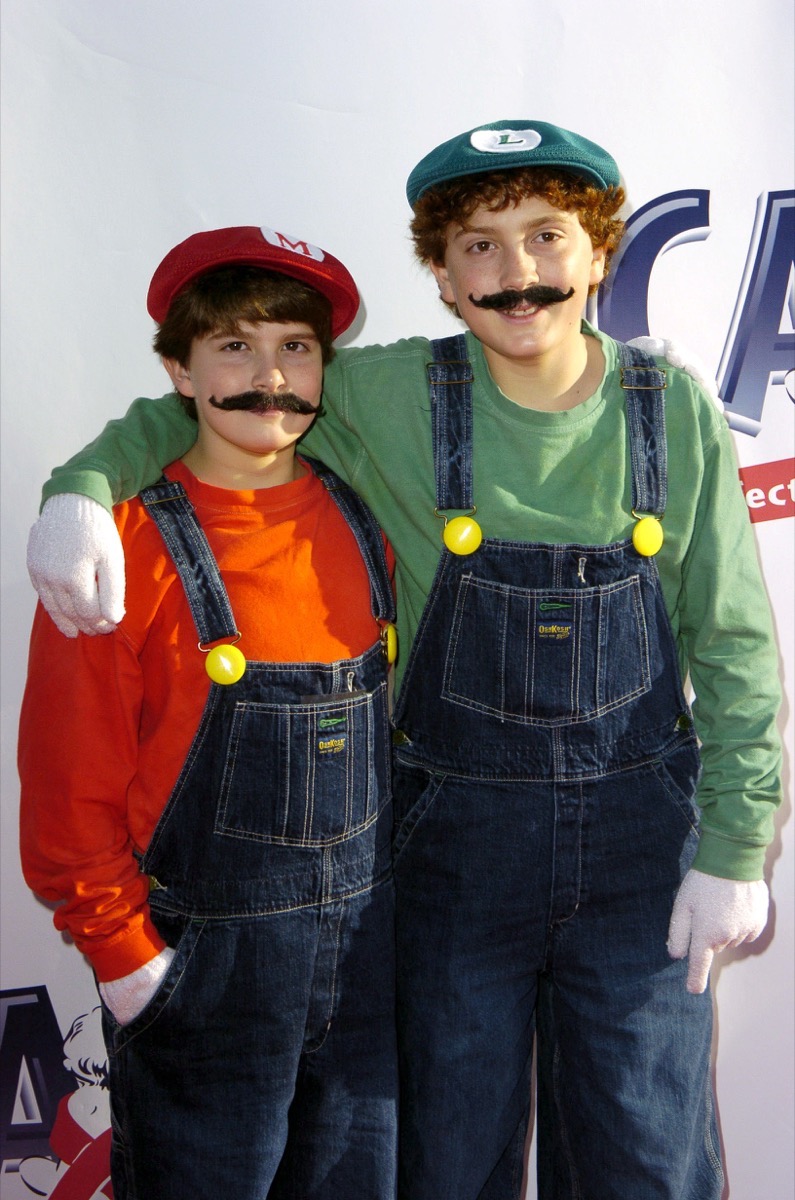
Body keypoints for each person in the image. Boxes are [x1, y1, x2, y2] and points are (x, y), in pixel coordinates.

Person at [25, 122, 782, 1199]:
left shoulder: (674, 411)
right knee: (444, 1159)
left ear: (600, 252)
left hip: (640, 869)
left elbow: (737, 643)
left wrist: (737, 846)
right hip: (449, 864)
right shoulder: (384, 395)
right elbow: (219, 400)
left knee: (645, 1161)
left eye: (547, 236)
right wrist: (83, 487)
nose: (517, 272)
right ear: (441, 275)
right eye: (479, 246)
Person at [19, 226, 400, 1200]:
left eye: (295, 347)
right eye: (235, 346)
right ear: (179, 372)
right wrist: (128, 962)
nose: (269, 377)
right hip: (203, 978)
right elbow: (67, 786)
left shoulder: (365, 518)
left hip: (369, 970)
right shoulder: (119, 548)